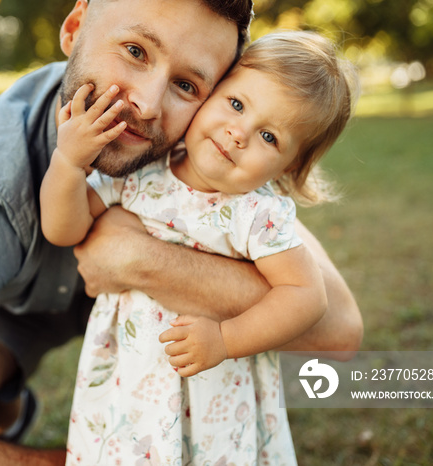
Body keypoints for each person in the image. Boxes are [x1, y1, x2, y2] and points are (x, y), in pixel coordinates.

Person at [0, 1, 362, 464]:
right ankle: (7, 403)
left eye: (187, 85)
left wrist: (136, 258)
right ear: (75, 28)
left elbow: (335, 330)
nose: (145, 105)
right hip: (11, 311)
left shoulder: (216, 167)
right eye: (136, 51)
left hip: (159, 327)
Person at [40, 30, 359, 464]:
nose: (239, 133)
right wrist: (68, 163)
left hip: (217, 399)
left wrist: (227, 338)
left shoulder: (257, 214)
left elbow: (306, 296)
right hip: (127, 385)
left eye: (270, 137)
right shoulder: (141, 173)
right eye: (237, 104)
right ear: (211, 92)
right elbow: (65, 230)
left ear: (292, 164)